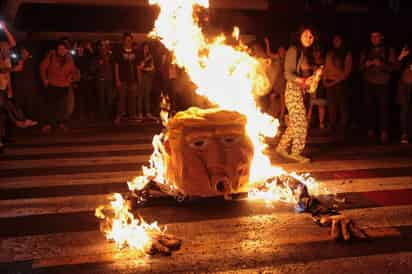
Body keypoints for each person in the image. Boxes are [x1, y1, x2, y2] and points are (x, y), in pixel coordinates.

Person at [276, 26, 319, 163]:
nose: (309, 38)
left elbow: (308, 77)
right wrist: (304, 80)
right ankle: (295, 152)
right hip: (293, 91)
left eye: (311, 36)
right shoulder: (293, 50)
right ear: (299, 36)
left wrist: (316, 76)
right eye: (306, 35)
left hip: (302, 92)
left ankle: (282, 147)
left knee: (296, 123)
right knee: (301, 123)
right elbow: (287, 74)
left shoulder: (306, 52)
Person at [360, 31, 396, 143]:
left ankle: (384, 131)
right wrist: (366, 64)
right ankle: (371, 130)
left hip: (383, 83)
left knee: (383, 108)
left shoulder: (388, 50)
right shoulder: (366, 51)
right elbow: (359, 67)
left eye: (376, 36)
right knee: (369, 106)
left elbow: (393, 67)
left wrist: (381, 64)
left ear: (381, 37)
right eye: (372, 36)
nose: (374, 38)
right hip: (369, 82)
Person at [39, 40, 79, 133]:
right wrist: (44, 79)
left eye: (63, 49)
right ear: (56, 49)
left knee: (62, 106)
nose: (61, 50)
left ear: (66, 50)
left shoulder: (69, 58)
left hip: (64, 85)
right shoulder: (51, 56)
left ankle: (61, 123)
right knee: (50, 106)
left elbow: (74, 70)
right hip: (52, 85)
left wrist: (71, 77)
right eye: (59, 48)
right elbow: (42, 68)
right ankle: (48, 124)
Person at [323, 34, 352, 134]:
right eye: (334, 40)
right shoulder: (330, 53)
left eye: (338, 40)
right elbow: (325, 68)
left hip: (340, 83)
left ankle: (344, 126)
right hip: (330, 82)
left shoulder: (346, 54)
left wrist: (334, 82)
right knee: (332, 105)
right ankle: (332, 125)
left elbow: (346, 72)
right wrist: (324, 80)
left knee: (342, 105)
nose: (336, 42)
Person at [114, 33, 139, 124]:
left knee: (132, 99)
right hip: (122, 79)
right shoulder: (119, 52)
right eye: (126, 40)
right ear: (123, 41)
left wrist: (138, 79)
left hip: (132, 79)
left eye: (130, 40)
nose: (128, 42)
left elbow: (137, 67)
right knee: (121, 99)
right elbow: (116, 66)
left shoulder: (135, 52)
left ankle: (132, 116)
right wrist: (117, 79)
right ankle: (119, 116)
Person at [264, 37, 287, 122]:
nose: (281, 52)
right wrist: (267, 44)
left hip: (283, 81)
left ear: (285, 52)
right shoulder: (277, 57)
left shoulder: (286, 59)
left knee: (282, 99)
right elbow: (269, 54)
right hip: (276, 81)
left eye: (282, 50)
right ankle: (273, 114)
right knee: (272, 97)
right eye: (280, 50)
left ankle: (281, 115)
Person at [92, 40, 114, 121]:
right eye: (102, 46)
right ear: (99, 47)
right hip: (101, 80)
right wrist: (98, 64)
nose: (104, 47)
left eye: (105, 46)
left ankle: (109, 115)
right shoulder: (97, 57)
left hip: (109, 80)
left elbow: (113, 67)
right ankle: (102, 116)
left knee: (109, 98)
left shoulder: (110, 55)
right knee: (101, 98)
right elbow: (92, 68)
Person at [307, 46, 327, 129]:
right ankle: (308, 122)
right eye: (314, 52)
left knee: (320, 104)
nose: (316, 53)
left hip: (320, 86)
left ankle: (321, 123)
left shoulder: (324, 62)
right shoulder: (311, 62)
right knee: (310, 104)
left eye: (317, 51)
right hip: (311, 85)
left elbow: (325, 72)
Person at [396, 43, 412, 144]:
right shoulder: (405, 53)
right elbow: (395, 68)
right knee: (404, 109)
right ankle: (405, 133)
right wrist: (401, 56)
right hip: (405, 85)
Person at [138, 42, 156, 120]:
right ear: (142, 48)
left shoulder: (150, 57)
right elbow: (139, 67)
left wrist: (146, 69)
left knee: (147, 95)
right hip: (140, 77)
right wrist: (145, 61)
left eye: (147, 48)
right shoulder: (139, 56)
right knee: (140, 95)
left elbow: (152, 67)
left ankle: (148, 113)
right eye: (145, 48)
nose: (146, 49)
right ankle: (140, 113)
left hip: (148, 77)